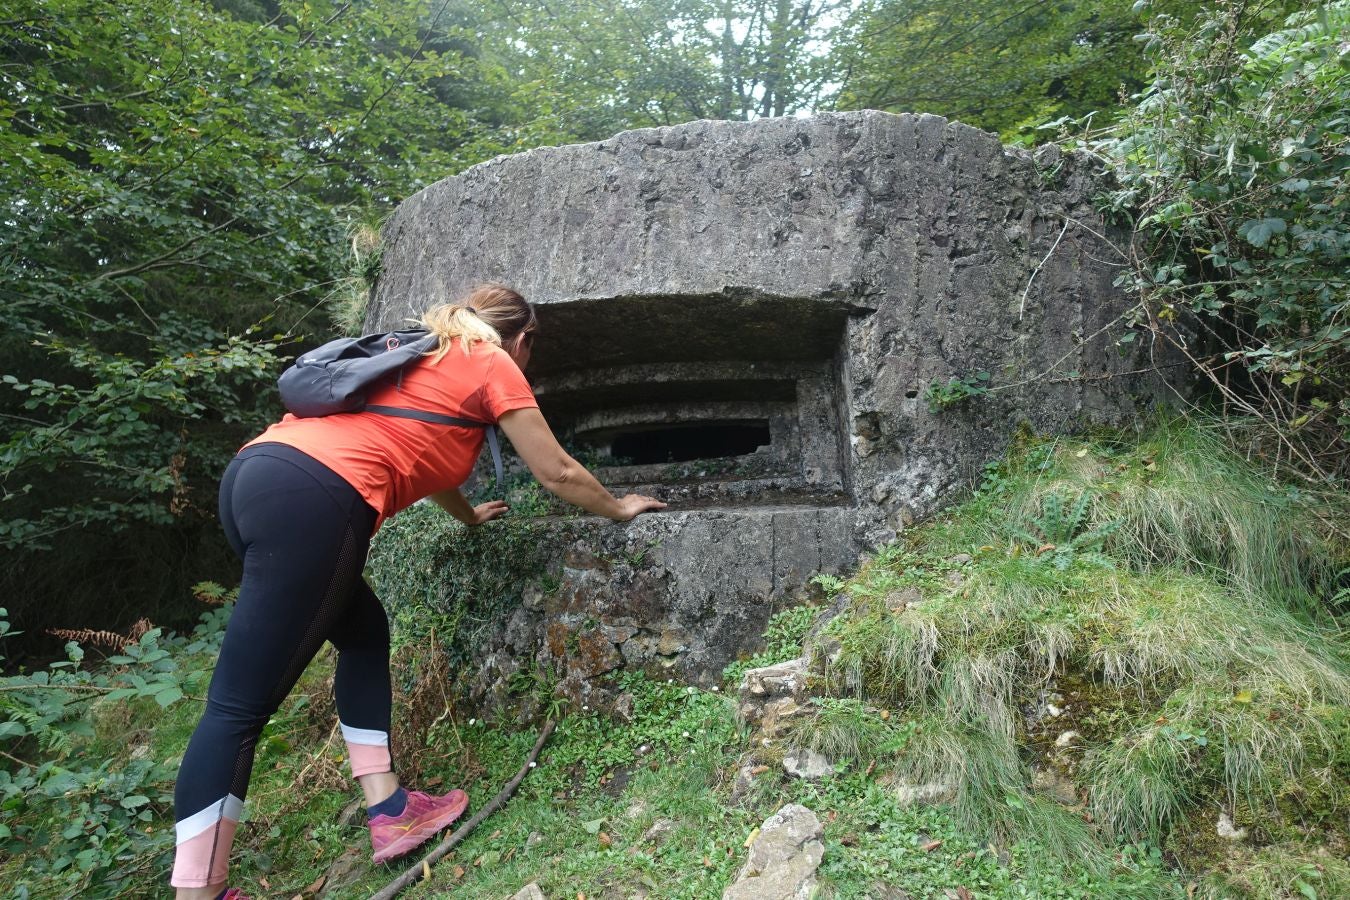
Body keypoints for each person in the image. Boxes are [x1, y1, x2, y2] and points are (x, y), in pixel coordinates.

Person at [170, 284, 665, 899]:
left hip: (257, 477)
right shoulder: (492, 361)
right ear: (523, 339)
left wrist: (467, 516)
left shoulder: (415, 356)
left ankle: (389, 809)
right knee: (238, 709)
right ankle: (200, 892)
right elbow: (556, 470)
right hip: (315, 497)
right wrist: (618, 507)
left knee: (363, 632)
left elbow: (421, 455)